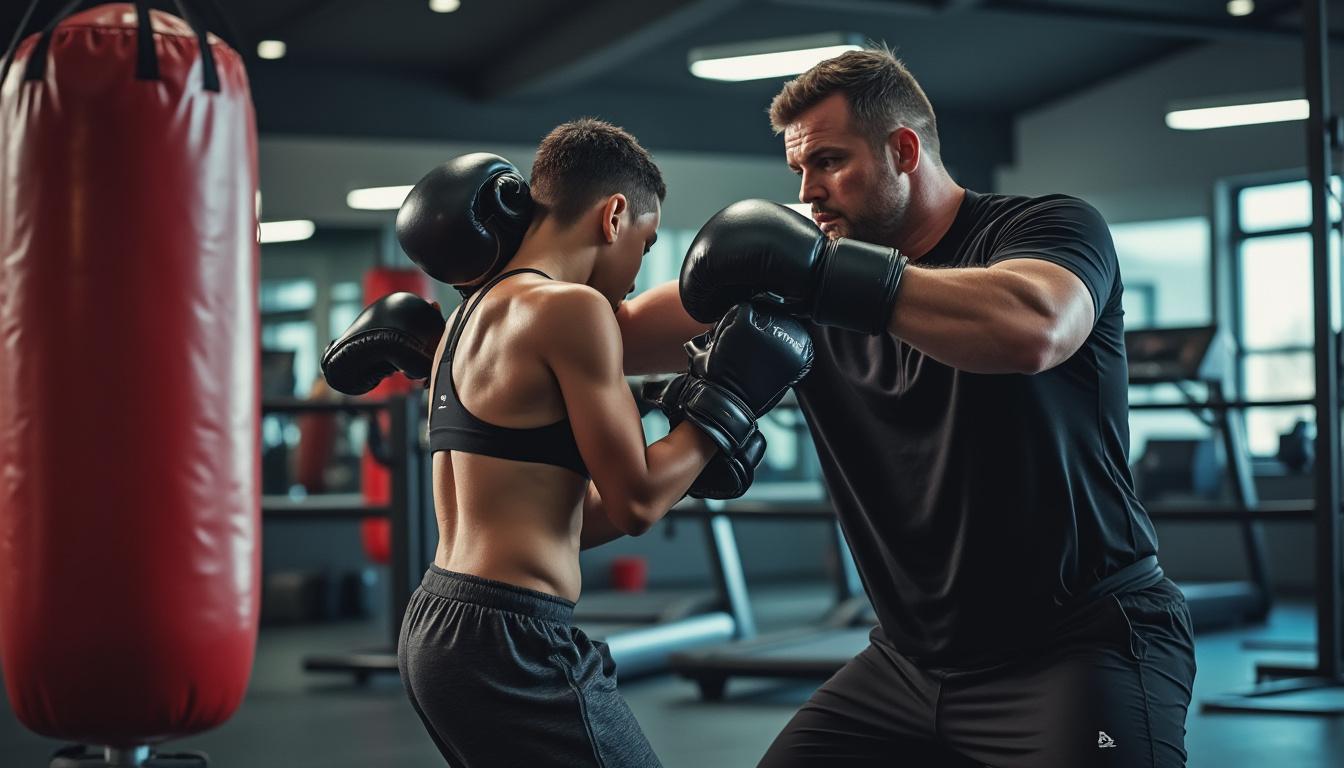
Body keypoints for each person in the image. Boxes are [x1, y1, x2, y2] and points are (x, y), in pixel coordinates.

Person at [618, 48, 1196, 768]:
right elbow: (621, 335)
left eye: (829, 161)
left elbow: (1036, 327)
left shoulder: (1045, 229)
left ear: (904, 149)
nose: (810, 190)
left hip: (1077, 646)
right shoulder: (805, 266)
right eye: (799, 170)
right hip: (906, 665)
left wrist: (824, 274)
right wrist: (476, 326)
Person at [321, 118, 814, 767]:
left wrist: (689, 460)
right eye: (645, 242)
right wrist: (725, 408)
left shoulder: (470, 315)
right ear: (614, 216)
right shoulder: (571, 312)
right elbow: (637, 502)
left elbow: (574, 520)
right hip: (511, 637)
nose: (639, 270)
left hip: (440, 625)